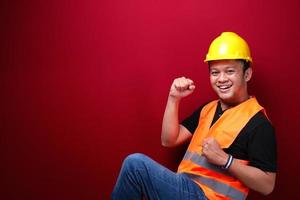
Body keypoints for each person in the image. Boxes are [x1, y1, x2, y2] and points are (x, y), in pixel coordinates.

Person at [111, 32, 277, 200]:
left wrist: (225, 160)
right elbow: (169, 140)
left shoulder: (258, 123)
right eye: (215, 72)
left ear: (247, 74)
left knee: (135, 166)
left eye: (229, 71)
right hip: (185, 187)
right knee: (135, 166)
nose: (221, 79)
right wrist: (173, 98)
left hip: (208, 197)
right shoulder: (208, 109)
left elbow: (267, 185)